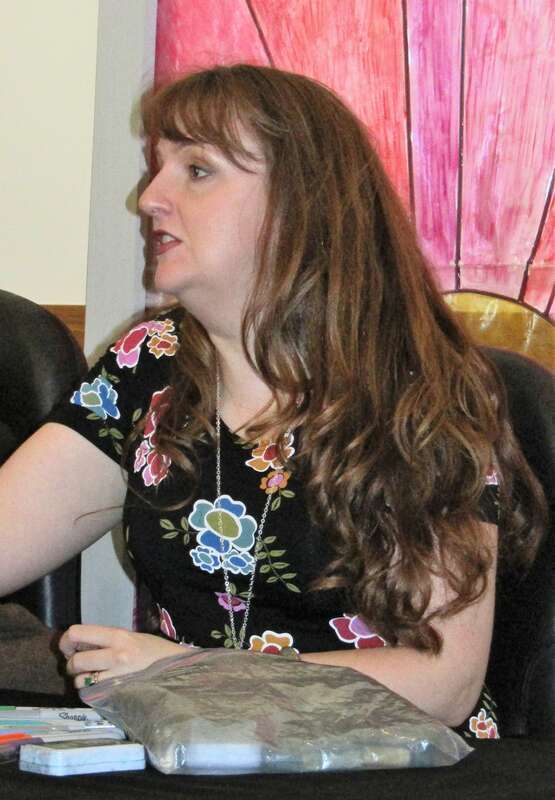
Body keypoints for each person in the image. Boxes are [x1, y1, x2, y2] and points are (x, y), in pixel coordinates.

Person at [0, 64, 545, 740]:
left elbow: (443, 683)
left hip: (392, 764)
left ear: (298, 203)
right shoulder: (150, 364)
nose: (150, 198)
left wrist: (192, 674)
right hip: (202, 761)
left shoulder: (424, 392)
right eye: (157, 168)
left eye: (198, 170)